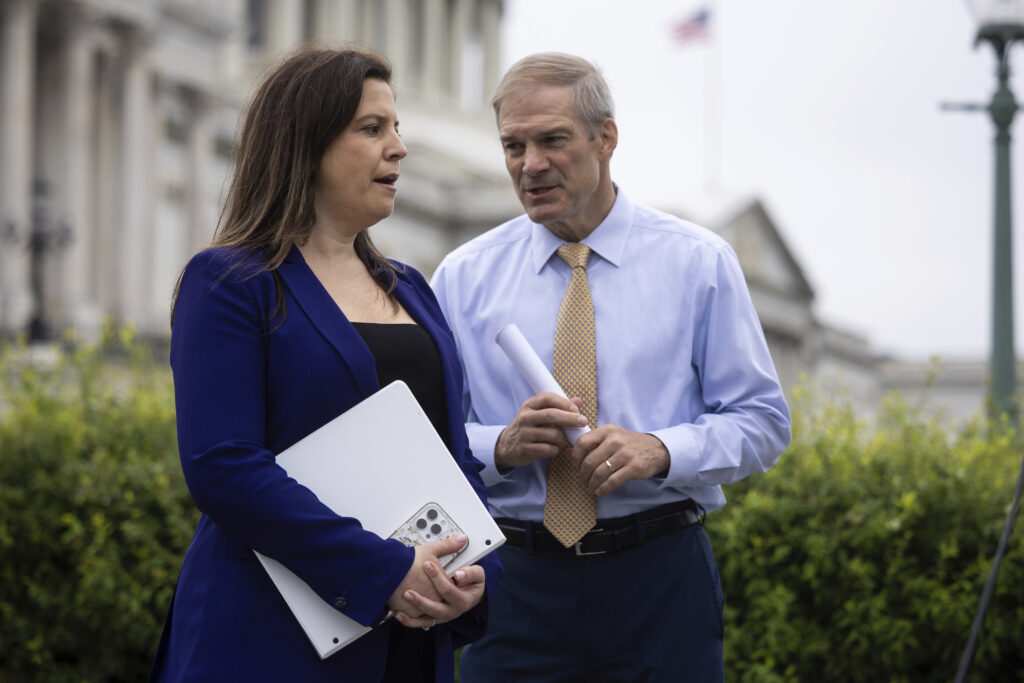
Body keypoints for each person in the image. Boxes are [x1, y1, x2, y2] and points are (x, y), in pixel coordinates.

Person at [430, 52, 791, 682]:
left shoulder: (698, 263)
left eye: (552, 140)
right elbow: (427, 438)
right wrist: (502, 445)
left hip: (660, 582)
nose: (530, 164)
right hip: (515, 586)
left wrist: (660, 449)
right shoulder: (462, 278)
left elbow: (763, 422)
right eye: (513, 145)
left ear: (606, 138)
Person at [149, 48, 500, 683]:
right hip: (269, 637)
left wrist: (476, 570)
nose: (399, 148)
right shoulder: (230, 281)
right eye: (372, 128)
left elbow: (454, 458)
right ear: (306, 145)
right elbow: (223, 465)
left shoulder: (413, 289)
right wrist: (383, 571)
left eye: (397, 128)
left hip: (413, 637)